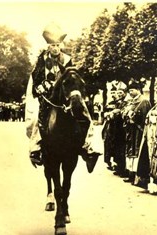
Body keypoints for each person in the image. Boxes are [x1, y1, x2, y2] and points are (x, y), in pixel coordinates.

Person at [25, 22, 101, 172]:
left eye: (58, 45)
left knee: (85, 112)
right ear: (48, 46)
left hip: (66, 93)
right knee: (35, 118)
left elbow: (72, 75)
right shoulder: (41, 61)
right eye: (53, 45)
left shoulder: (67, 59)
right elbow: (36, 80)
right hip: (47, 96)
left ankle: (89, 147)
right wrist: (42, 87)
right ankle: (36, 148)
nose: (55, 48)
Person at [122, 79, 151, 184]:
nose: (130, 92)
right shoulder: (131, 101)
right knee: (130, 151)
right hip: (131, 130)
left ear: (138, 90)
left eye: (132, 90)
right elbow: (124, 112)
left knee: (137, 151)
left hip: (138, 130)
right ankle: (130, 174)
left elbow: (145, 117)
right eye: (129, 91)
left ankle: (138, 176)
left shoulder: (144, 101)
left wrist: (134, 118)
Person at [103, 81, 128, 176]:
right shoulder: (116, 103)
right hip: (115, 128)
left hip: (122, 128)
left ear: (124, 93)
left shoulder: (126, 102)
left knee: (121, 148)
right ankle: (117, 166)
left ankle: (122, 168)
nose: (118, 95)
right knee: (115, 147)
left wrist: (115, 112)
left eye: (120, 93)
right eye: (118, 93)